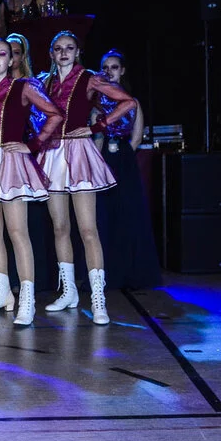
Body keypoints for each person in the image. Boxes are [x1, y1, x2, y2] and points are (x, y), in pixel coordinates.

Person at [38, 32, 137, 324]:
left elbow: (127, 102)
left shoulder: (89, 78)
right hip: (53, 153)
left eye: (69, 48)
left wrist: (99, 126)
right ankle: (69, 291)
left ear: (77, 51)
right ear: (52, 54)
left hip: (79, 152)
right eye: (58, 49)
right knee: (59, 227)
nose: (64, 53)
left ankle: (98, 298)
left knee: (88, 229)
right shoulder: (46, 82)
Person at [0, 40, 62, 326]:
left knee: (18, 231)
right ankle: (2, 292)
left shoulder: (23, 87)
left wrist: (33, 144)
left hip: (11, 160)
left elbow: (55, 114)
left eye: (2, 55)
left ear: (11, 60)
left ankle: (27, 298)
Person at [94, 50, 162, 290]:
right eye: (105, 67)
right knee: (104, 214)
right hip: (102, 159)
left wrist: (123, 156)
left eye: (114, 67)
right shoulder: (97, 102)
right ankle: (106, 271)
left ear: (122, 70)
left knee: (129, 213)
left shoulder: (132, 102)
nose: (109, 72)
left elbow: (137, 136)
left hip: (124, 160)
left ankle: (133, 271)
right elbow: (96, 137)